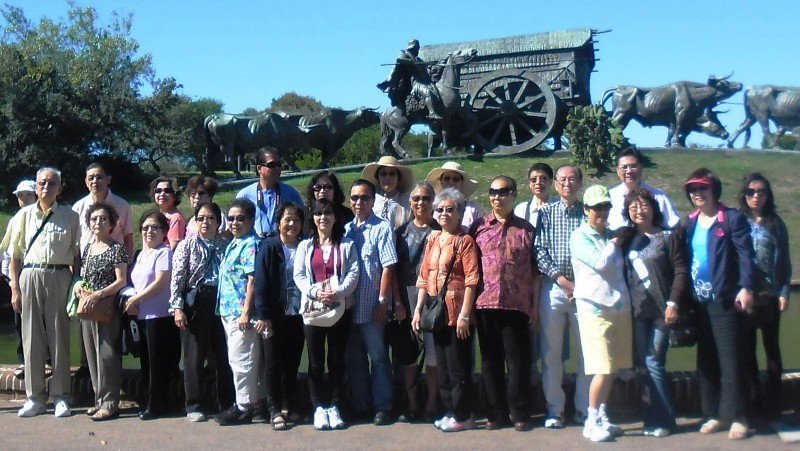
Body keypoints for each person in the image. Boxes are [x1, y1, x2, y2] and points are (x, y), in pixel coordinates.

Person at [682, 168, 754, 440]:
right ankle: (714, 414)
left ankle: (739, 416)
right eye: (693, 189)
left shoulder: (731, 219)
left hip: (725, 299)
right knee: (707, 360)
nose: (697, 194)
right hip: (699, 302)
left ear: (714, 190)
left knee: (732, 360)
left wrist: (745, 287)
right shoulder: (690, 222)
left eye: (703, 188)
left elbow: (746, 256)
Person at [8, 167, 79, 418]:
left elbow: (77, 255)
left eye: (52, 183)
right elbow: (14, 256)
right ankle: (35, 397)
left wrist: (76, 284)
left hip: (60, 275)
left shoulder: (71, 217)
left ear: (60, 188)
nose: (46, 187)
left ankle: (61, 396)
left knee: (59, 337)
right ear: (36, 187)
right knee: (31, 338)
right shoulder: (22, 217)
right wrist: (15, 288)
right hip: (30, 275)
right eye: (42, 183)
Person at [470, 176, 538, 431]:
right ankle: (495, 413)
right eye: (492, 192)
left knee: (518, 361)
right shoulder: (479, 227)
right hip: (485, 303)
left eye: (502, 192)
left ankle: (520, 412)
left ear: (513, 194)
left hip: (515, 303)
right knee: (490, 361)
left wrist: (535, 307)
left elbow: (535, 270)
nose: (497, 197)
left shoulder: (526, 230)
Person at [412, 187, 480, 432]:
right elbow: (423, 277)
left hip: (457, 312)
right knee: (441, 366)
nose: (443, 214)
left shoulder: (465, 241)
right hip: (436, 312)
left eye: (450, 209)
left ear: (460, 212)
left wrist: (464, 314)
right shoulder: (432, 239)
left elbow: (472, 280)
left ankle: (465, 413)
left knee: (458, 367)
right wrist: (418, 310)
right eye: (439, 209)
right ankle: (451, 410)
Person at [622, 187, 689, 437]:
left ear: (653, 208)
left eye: (643, 205)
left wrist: (674, 304)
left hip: (662, 309)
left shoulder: (668, 237)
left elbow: (680, 272)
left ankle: (665, 419)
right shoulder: (627, 239)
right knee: (642, 364)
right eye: (633, 207)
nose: (639, 211)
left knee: (654, 361)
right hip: (637, 311)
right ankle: (650, 420)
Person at [570, 185, 632, 442]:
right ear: (586, 210)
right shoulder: (580, 236)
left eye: (606, 206)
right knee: (602, 367)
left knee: (613, 367)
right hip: (593, 310)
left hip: (618, 309)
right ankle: (590, 419)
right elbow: (601, 264)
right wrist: (617, 240)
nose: (602, 212)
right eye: (597, 207)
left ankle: (603, 416)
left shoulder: (607, 234)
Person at [292, 198, 360, 431]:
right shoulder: (305, 246)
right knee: (315, 362)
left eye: (328, 213)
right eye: (319, 214)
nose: (324, 218)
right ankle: (318, 407)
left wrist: (338, 293)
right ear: (313, 218)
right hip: (313, 311)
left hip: (340, 309)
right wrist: (316, 292)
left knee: (337, 360)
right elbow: (299, 276)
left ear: (335, 217)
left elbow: (353, 273)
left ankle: (334, 405)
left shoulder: (347, 245)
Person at [534, 164, 591, 428]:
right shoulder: (545, 213)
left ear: (580, 183)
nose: (567, 184)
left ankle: (584, 409)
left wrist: (579, 284)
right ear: (555, 184)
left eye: (572, 179)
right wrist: (563, 280)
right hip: (555, 289)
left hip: (586, 290)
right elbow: (540, 252)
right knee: (551, 353)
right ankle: (554, 410)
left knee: (587, 353)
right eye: (562, 180)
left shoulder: (588, 213)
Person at [170, 201, 234, 423]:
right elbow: (178, 277)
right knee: (193, 356)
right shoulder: (186, 245)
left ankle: (226, 403)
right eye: (201, 218)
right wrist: (177, 307)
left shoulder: (226, 245)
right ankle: (194, 404)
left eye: (210, 218)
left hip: (222, 302)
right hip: (196, 302)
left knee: (223, 355)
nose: (205, 222)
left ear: (218, 222)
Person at [344, 179, 398, 425]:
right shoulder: (345, 230)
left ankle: (383, 405)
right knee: (354, 359)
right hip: (348, 306)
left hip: (372, 304)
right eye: (355, 198)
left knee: (378, 357)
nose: (359, 202)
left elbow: (388, 267)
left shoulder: (382, 227)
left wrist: (383, 301)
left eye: (364, 197)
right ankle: (360, 403)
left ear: (373, 200)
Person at [738, 173, 790, 421]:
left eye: (760, 192)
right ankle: (753, 403)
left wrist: (784, 292)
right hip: (746, 297)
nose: (756, 196)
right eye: (750, 192)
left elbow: (785, 261)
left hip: (769, 297)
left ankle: (774, 405)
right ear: (744, 195)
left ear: (768, 195)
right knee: (747, 352)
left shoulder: (776, 223)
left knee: (772, 353)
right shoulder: (738, 221)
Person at [253, 202, 307, 430]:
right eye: (287, 219)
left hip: (299, 315)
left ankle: (289, 405)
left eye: (296, 219)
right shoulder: (270, 246)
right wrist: (263, 315)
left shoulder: (305, 246)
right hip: (274, 316)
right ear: (278, 223)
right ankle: (274, 408)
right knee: (272, 363)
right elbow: (261, 281)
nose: (292, 224)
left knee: (292, 362)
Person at [124, 209, 180, 420]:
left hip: (159, 317)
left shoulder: (164, 252)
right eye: (145, 227)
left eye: (155, 227)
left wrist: (137, 299)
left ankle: (158, 404)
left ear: (164, 231)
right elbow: (133, 283)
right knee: (146, 363)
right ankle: (147, 400)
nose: (149, 231)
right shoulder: (139, 254)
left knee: (158, 364)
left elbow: (160, 283)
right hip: (141, 317)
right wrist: (130, 299)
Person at [214, 199, 264, 426]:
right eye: (231, 218)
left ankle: (244, 406)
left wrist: (246, 312)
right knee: (238, 360)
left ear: (251, 220)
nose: (235, 222)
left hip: (240, 313)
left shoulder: (251, 244)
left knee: (241, 361)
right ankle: (251, 402)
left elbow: (252, 280)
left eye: (240, 218)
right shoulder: (234, 243)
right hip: (228, 311)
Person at [77, 203, 128, 421]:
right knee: (91, 355)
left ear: (112, 223)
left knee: (107, 354)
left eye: (103, 219)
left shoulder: (116, 248)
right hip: (87, 307)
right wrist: (80, 287)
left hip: (107, 307)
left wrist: (99, 294)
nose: (98, 223)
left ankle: (110, 402)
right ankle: (98, 400)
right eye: (94, 219)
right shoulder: (88, 248)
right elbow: (83, 275)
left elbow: (121, 281)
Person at [394, 181, 440, 422]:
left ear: (433, 202)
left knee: (433, 353)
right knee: (408, 354)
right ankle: (412, 403)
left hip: (434, 297)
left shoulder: (441, 230)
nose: (420, 203)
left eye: (425, 198)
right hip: (406, 294)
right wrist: (398, 301)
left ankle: (432, 401)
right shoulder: (400, 233)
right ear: (409, 202)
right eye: (416, 199)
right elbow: (392, 269)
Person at [513, 162, 557, 386]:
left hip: (552, 279)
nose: (538, 183)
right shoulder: (521, 210)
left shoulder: (559, 207)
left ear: (551, 182)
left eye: (543, 178)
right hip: (527, 280)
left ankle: (555, 382)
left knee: (553, 335)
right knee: (528, 332)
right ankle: (531, 380)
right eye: (534, 179)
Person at [0, 179, 37, 378]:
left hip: (39, 275)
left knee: (43, 321)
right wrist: (10, 280)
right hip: (18, 277)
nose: (23, 199)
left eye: (27, 195)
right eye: (20, 196)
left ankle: (47, 360)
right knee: (20, 321)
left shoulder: (43, 216)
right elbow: (6, 252)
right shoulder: (15, 220)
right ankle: (24, 361)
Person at [236, 146, 304, 237]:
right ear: (259, 168)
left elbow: (304, 218)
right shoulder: (244, 195)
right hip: (255, 246)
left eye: (279, 164)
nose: (277, 168)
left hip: (282, 245)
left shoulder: (290, 192)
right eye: (271, 165)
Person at [73, 163, 134, 261]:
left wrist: (126, 265)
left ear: (108, 180)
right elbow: (74, 242)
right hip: (86, 266)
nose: (95, 182)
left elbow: (128, 238)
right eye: (91, 178)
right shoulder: (78, 208)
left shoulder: (122, 206)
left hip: (115, 266)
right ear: (86, 182)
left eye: (99, 177)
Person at [608, 148, 680, 231]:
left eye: (633, 166)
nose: (629, 171)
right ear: (617, 170)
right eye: (624, 167)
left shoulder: (658, 196)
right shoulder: (610, 197)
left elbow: (674, 227)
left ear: (641, 167)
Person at [377, 38, 442, 120]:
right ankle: (432, 113)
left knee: (436, 91)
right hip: (415, 83)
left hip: (424, 81)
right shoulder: (405, 55)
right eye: (417, 48)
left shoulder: (418, 59)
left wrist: (433, 63)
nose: (418, 50)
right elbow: (399, 60)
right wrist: (411, 62)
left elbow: (425, 65)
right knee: (427, 92)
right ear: (413, 48)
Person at [362, 156, 414, 230]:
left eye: (392, 174)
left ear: (398, 178)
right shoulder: (369, 200)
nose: (387, 178)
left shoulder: (408, 202)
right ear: (378, 178)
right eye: (383, 174)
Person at [426, 161, 482, 229]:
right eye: (447, 178)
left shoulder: (472, 208)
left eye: (456, 179)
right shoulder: (432, 206)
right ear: (441, 181)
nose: (451, 182)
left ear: (462, 183)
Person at [149, 176, 186, 251]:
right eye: (158, 190)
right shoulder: (154, 214)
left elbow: (173, 248)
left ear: (175, 195)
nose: (162, 194)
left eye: (167, 191)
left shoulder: (176, 218)